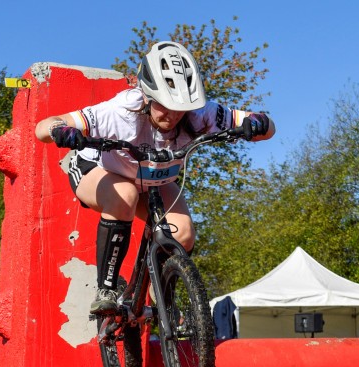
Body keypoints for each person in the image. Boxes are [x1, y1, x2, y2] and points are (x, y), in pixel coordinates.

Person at [34, 41, 275, 315]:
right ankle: (107, 288)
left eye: (180, 107)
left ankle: (155, 298)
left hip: (155, 180)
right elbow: (43, 127)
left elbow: (265, 126)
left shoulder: (201, 114)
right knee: (124, 194)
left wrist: (259, 123)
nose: (172, 116)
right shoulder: (118, 112)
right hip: (98, 169)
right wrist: (61, 131)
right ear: (146, 94)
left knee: (182, 233)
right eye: (164, 105)